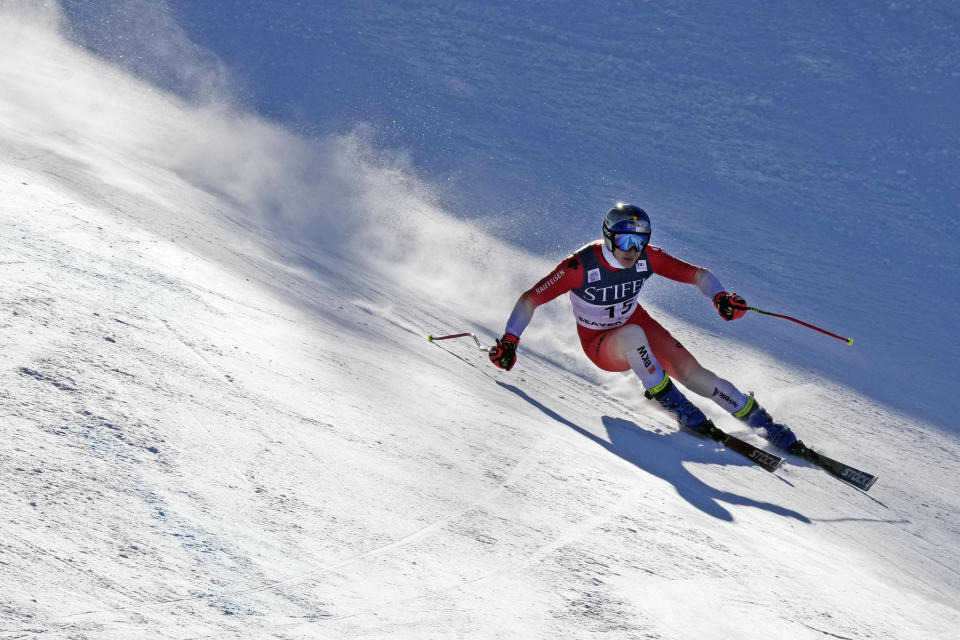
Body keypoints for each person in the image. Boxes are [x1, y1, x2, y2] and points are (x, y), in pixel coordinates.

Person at [488, 203, 802, 453]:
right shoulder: (580, 265)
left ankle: (760, 420)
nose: (633, 249)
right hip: (601, 344)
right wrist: (510, 340)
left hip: (638, 324)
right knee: (633, 336)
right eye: (625, 240)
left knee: (697, 376)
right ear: (609, 237)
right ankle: (674, 403)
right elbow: (531, 298)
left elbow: (698, 275)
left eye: (640, 241)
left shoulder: (646, 258)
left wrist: (721, 296)